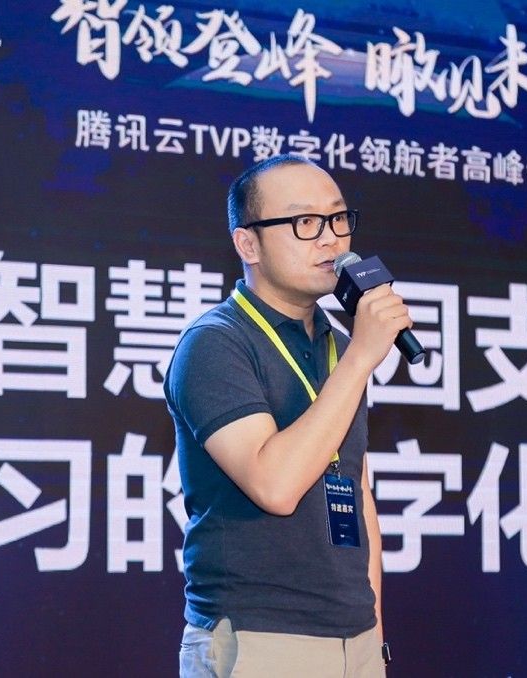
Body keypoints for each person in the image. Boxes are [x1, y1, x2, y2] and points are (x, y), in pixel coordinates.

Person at [165, 153, 412, 677]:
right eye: (305, 222)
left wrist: (374, 636)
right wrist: (362, 358)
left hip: (355, 638)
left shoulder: (338, 345)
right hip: (260, 636)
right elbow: (274, 486)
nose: (331, 239)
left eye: (338, 218)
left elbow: (356, 492)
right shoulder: (215, 344)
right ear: (248, 244)